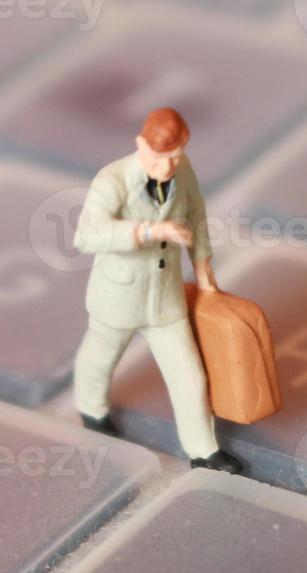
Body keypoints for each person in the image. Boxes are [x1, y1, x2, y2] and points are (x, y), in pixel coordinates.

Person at [71, 107, 243, 473]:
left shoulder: (183, 170)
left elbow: (196, 212)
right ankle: (91, 408)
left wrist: (203, 265)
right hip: (118, 294)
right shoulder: (111, 180)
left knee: (188, 374)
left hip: (166, 298)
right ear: (139, 145)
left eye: (175, 156)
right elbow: (86, 236)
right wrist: (149, 231)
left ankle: (203, 451)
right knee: (101, 355)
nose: (167, 167)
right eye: (159, 157)